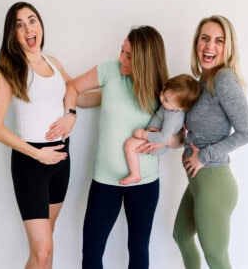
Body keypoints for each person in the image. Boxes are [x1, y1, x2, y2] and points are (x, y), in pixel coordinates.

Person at [50, 25, 179, 269]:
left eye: (128, 55)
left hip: (145, 183)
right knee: (91, 253)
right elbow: (73, 87)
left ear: (144, 59)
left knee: (138, 251)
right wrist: (70, 115)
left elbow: (179, 137)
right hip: (105, 182)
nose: (121, 58)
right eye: (122, 50)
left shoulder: (164, 90)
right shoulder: (109, 71)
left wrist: (163, 140)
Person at [0, 2, 74, 269]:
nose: (28, 29)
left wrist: (114, 94)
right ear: (12, 35)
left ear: (41, 25)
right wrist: (38, 154)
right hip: (31, 164)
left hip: (61, 159)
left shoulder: (54, 63)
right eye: (19, 25)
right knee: (43, 251)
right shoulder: (9, 71)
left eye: (32, 20)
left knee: (45, 245)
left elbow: (75, 91)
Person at [172, 15, 248, 269]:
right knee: (182, 236)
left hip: (214, 182)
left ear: (227, 48)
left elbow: (246, 132)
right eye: (205, 38)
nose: (210, 46)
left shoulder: (223, 80)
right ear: (197, 42)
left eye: (219, 41)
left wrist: (203, 156)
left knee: (216, 258)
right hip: (199, 181)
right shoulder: (202, 82)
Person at [119, 74, 201, 185]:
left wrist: (143, 134)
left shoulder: (173, 116)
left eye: (166, 100)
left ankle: (135, 174)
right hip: (155, 137)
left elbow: (164, 137)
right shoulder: (172, 107)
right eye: (163, 91)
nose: (161, 98)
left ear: (180, 107)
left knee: (129, 145)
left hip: (156, 141)